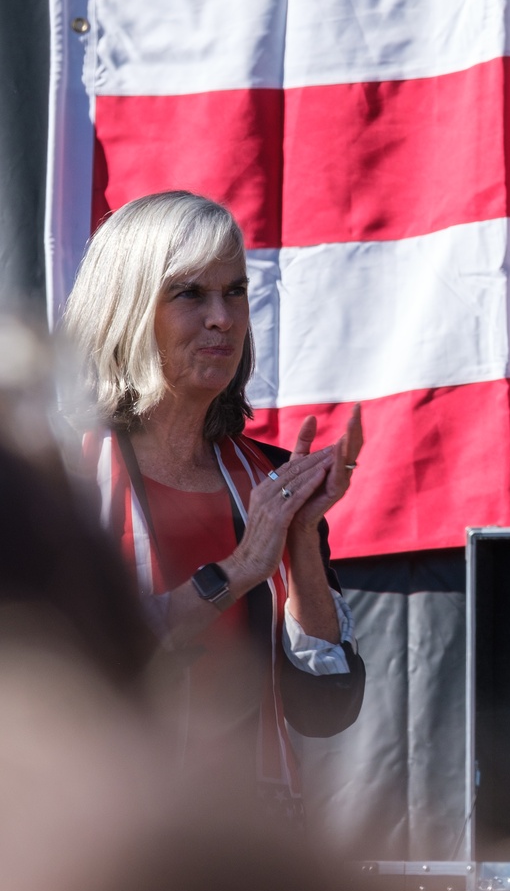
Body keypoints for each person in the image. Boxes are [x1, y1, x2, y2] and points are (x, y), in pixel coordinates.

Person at [61, 190, 365, 824]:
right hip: (104, 845)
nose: (222, 318)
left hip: (247, 852)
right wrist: (234, 574)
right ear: (126, 310)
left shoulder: (269, 478)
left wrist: (301, 541)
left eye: (235, 293)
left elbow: (325, 707)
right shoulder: (60, 475)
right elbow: (71, 674)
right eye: (190, 294)